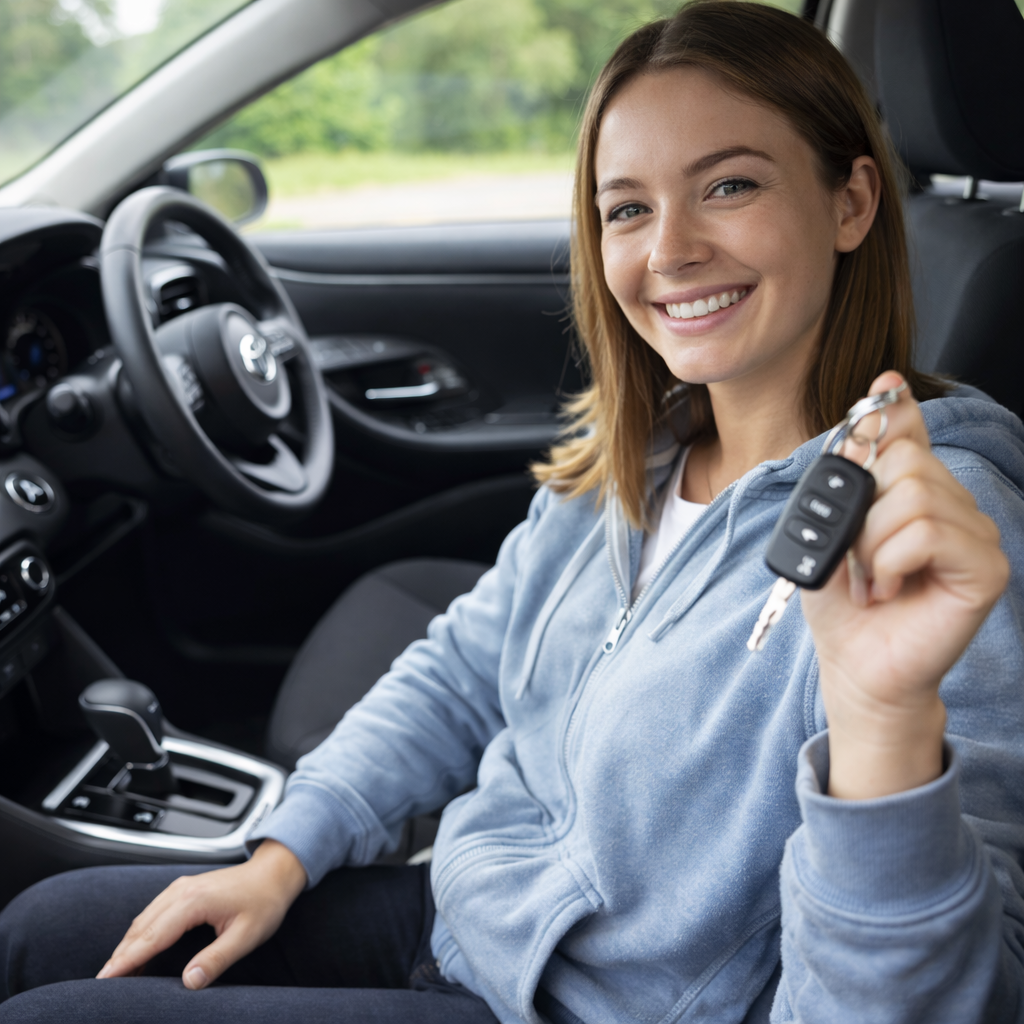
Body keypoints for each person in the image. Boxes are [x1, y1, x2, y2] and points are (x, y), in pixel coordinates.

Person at [1, 3, 1021, 1022]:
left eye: (729, 185)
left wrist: (883, 729)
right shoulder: (642, 451)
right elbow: (462, 670)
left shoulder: (925, 529)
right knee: (41, 932)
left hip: (592, 1007)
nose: (668, 249)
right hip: (463, 915)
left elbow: (938, 994)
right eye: (626, 209)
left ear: (849, 203)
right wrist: (284, 851)